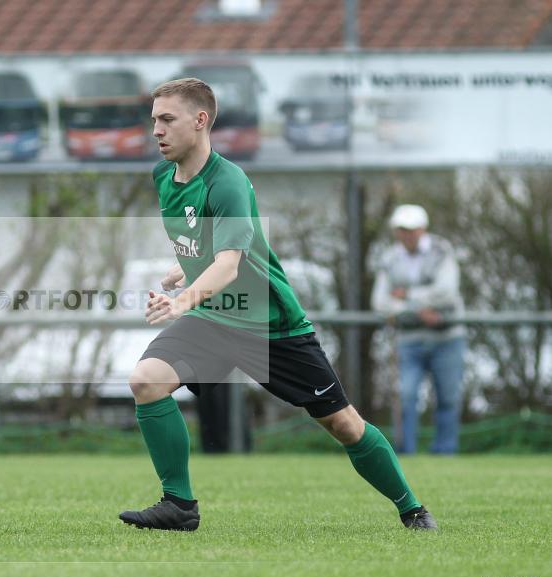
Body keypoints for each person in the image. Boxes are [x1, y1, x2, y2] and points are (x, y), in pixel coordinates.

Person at [118, 78, 436, 532]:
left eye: (167, 119)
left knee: (344, 425)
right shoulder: (163, 178)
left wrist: (182, 301)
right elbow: (204, 245)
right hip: (214, 318)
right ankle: (179, 506)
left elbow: (229, 265)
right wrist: (183, 269)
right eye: (154, 121)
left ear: (201, 120)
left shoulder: (228, 183)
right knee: (146, 381)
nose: (156, 131)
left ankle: (412, 509)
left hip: (270, 327)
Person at [371, 204, 466, 455]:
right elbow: (380, 303)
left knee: (448, 399)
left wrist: (407, 297)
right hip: (409, 339)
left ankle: (445, 453)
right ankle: (405, 454)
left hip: (447, 337)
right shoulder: (389, 258)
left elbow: (447, 292)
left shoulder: (442, 251)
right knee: (405, 397)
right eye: (402, 229)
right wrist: (420, 310)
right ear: (396, 231)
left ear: (423, 229)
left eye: (412, 229)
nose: (407, 234)